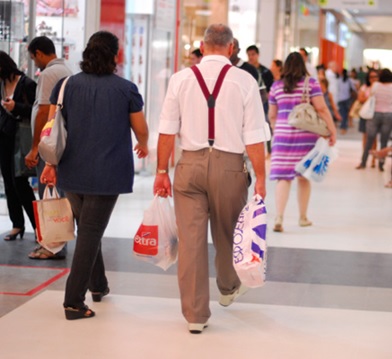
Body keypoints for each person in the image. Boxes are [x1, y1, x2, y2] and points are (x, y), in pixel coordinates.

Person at [153, 24, 270, 334]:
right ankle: (229, 287)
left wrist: (161, 172)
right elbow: (254, 136)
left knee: (190, 243)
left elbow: (167, 130)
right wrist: (260, 177)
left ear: (202, 48)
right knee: (229, 232)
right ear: (231, 49)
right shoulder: (245, 80)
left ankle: (195, 315)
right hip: (230, 166)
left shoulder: (180, 79)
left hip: (188, 165)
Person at [40, 31, 149, 320]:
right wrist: (144, 143)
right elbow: (140, 129)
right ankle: (73, 301)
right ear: (115, 56)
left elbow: (52, 128)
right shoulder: (126, 89)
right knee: (90, 231)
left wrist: (50, 164)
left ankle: (98, 284)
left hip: (71, 171)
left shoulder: (66, 86)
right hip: (107, 173)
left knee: (89, 227)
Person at [268, 52, 336, 232]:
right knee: (303, 177)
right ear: (303, 65)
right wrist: (332, 130)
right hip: (306, 135)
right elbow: (321, 108)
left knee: (283, 177)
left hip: (282, 135)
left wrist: (277, 131)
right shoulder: (311, 83)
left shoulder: (276, 86)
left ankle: (279, 217)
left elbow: (272, 115)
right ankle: (303, 217)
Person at [25, 36, 72, 259]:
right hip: (59, 142)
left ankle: (51, 245)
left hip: (48, 143)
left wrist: (35, 147)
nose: (34, 62)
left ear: (40, 54)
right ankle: (55, 241)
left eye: (34, 57)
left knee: (47, 193)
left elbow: (44, 111)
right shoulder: (66, 69)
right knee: (55, 192)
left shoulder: (48, 74)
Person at [0, 51, 37, 241]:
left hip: (22, 138)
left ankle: (38, 227)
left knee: (20, 182)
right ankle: (17, 224)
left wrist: (16, 107)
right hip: (5, 138)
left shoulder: (27, 84)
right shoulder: (1, 84)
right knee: (8, 181)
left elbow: (37, 111)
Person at [356, 68, 392, 172]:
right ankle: (381, 165)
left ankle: (363, 162)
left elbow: (371, 95)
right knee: (384, 140)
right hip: (389, 115)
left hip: (374, 114)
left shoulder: (376, 85)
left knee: (369, 139)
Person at [355, 69, 379, 169]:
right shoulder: (364, 87)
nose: (373, 79)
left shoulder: (380, 87)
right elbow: (360, 99)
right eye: (371, 77)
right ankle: (365, 158)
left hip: (375, 114)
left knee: (374, 137)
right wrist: (370, 97)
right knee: (365, 136)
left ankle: (374, 158)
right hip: (365, 114)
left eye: (375, 77)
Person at [337, 69, 357, 134]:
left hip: (340, 98)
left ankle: (343, 126)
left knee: (342, 113)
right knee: (345, 113)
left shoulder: (339, 80)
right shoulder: (349, 80)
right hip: (347, 98)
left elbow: (337, 89)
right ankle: (344, 126)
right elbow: (354, 89)